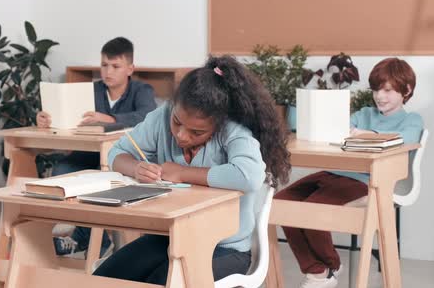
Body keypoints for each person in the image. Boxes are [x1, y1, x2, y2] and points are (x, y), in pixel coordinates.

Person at [92, 55, 291, 285]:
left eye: (197, 133)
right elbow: (117, 153)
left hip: (226, 247)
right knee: (102, 280)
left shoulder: (232, 129)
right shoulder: (162, 116)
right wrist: (136, 167)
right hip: (168, 238)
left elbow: (250, 175)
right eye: (177, 122)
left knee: (164, 281)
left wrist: (181, 172)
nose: (181, 135)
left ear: (218, 124)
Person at [275, 57, 423, 288]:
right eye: (376, 89)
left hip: (367, 178)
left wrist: (366, 134)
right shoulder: (363, 112)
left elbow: (408, 140)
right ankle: (321, 270)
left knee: (314, 208)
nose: (379, 96)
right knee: (280, 203)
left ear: (407, 90)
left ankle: (327, 266)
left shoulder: (411, 119)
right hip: (334, 172)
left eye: (387, 90)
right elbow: (338, 130)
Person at [36, 37, 157, 256]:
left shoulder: (142, 90)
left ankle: (85, 238)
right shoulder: (91, 90)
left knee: (98, 180)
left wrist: (109, 118)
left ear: (130, 68)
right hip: (89, 153)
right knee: (62, 172)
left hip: (121, 158)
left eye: (115, 66)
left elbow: (147, 116)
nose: (108, 71)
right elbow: (71, 119)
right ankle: (91, 240)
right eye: (104, 65)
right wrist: (47, 120)